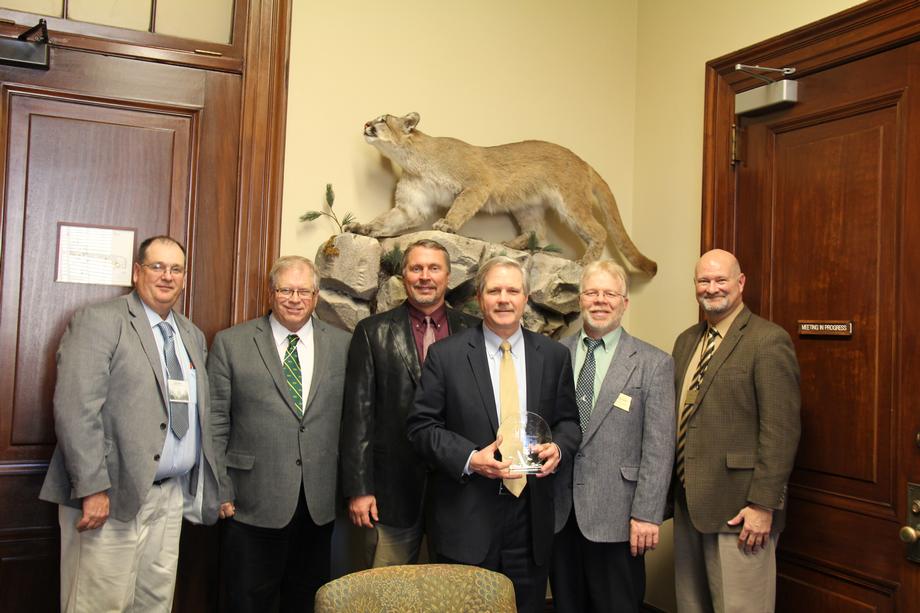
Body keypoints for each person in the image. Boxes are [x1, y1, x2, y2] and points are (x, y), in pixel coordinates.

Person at [39, 235, 220, 612]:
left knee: (154, 604)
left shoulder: (191, 335)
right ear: (137, 272)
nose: (167, 276)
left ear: (185, 278)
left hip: (169, 498)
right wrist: (92, 488)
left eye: (176, 269)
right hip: (109, 496)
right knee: (98, 605)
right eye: (157, 267)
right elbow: (75, 409)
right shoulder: (100, 320)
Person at [407, 255, 581, 613]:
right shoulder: (446, 356)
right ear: (479, 298)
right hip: (467, 518)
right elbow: (421, 428)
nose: (504, 299)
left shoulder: (552, 356)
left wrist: (559, 449)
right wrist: (471, 458)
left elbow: (569, 423)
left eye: (512, 291)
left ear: (526, 297)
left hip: (530, 520)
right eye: (495, 290)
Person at [209, 256, 350, 613]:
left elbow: (354, 421)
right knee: (247, 601)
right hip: (250, 501)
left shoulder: (343, 345)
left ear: (316, 296)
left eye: (304, 290)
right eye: (286, 289)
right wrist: (220, 486)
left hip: (318, 502)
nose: (295, 298)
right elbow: (215, 422)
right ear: (270, 293)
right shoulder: (231, 343)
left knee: (306, 600)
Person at [672, 249, 800, 613]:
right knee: (691, 606)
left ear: (740, 283)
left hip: (740, 512)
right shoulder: (686, 341)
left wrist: (763, 505)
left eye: (720, 280)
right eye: (703, 281)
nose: (711, 288)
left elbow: (781, 431)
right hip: (689, 504)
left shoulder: (768, 340)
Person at [340, 239, 479, 567]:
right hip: (392, 494)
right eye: (416, 268)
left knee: (452, 595)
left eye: (434, 268)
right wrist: (359, 489)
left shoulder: (475, 332)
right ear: (404, 276)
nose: (424, 276)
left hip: (460, 492)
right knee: (386, 594)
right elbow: (358, 416)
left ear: (448, 276)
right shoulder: (372, 333)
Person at [550, 260, 674, 613]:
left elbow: (659, 446)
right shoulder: (556, 354)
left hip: (619, 516)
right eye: (592, 292)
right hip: (561, 513)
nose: (600, 300)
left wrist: (648, 514)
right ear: (580, 299)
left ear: (624, 302)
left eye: (610, 293)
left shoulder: (653, 363)